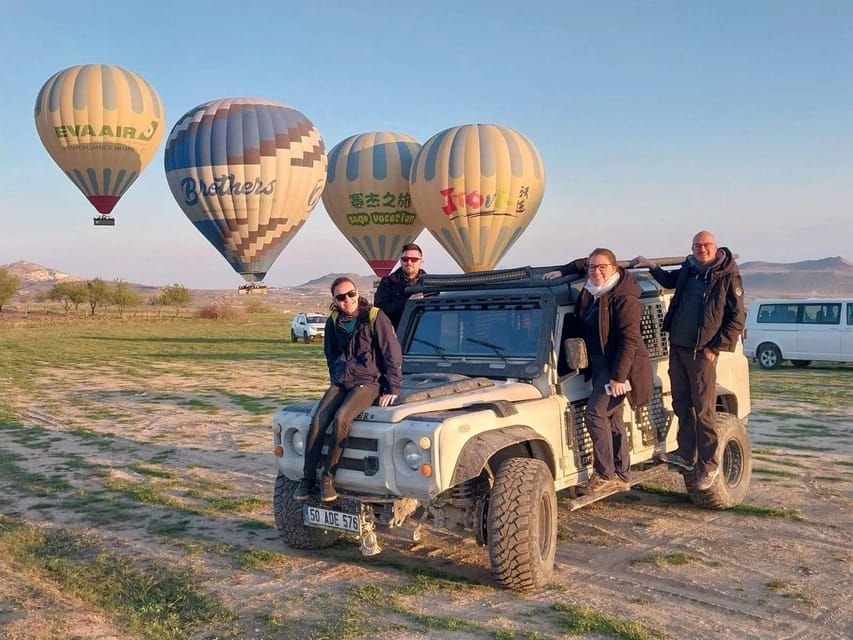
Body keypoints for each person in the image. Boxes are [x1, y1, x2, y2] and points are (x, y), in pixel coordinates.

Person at [633, 230, 745, 490]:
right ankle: (686, 454)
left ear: (716, 247)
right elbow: (671, 281)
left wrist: (714, 348)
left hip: (702, 351)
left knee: (704, 409)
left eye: (706, 245)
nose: (702, 249)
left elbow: (736, 319)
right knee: (682, 402)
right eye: (697, 245)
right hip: (679, 346)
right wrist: (652, 266)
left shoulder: (727, 275)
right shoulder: (690, 268)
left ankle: (709, 465)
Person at [544, 249, 653, 494]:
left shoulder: (624, 298)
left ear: (614, 268)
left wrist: (618, 378)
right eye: (593, 267)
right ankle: (622, 473)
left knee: (595, 415)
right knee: (612, 419)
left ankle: (604, 474)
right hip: (600, 364)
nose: (596, 271)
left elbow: (629, 341)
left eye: (602, 267)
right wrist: (563, 271)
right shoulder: (595, 289)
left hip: (618, 367)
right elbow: (582, 262)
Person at [294, 276, 402, 502]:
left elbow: (391, 353)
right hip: (343, 380)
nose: (347, 300)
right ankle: (306, 479)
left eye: (351, 294)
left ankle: (327, 479)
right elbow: (330, 354)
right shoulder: (334, 321)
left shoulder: (374, 316)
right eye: (341, 297)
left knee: (342, 417)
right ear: (334, 300)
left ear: (357, 292)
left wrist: (392, 388)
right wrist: (336, 377)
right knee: (318, 420)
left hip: (369, 382)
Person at [373, 243, 426, 330]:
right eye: (405, 259)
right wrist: (408, 302)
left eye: (414, 259)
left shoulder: (430, 285)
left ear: (421, 262)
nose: (409, 262)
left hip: (423, 336)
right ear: (400, 261)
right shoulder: (387, 283)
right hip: (395, 336)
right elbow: (379, 311)